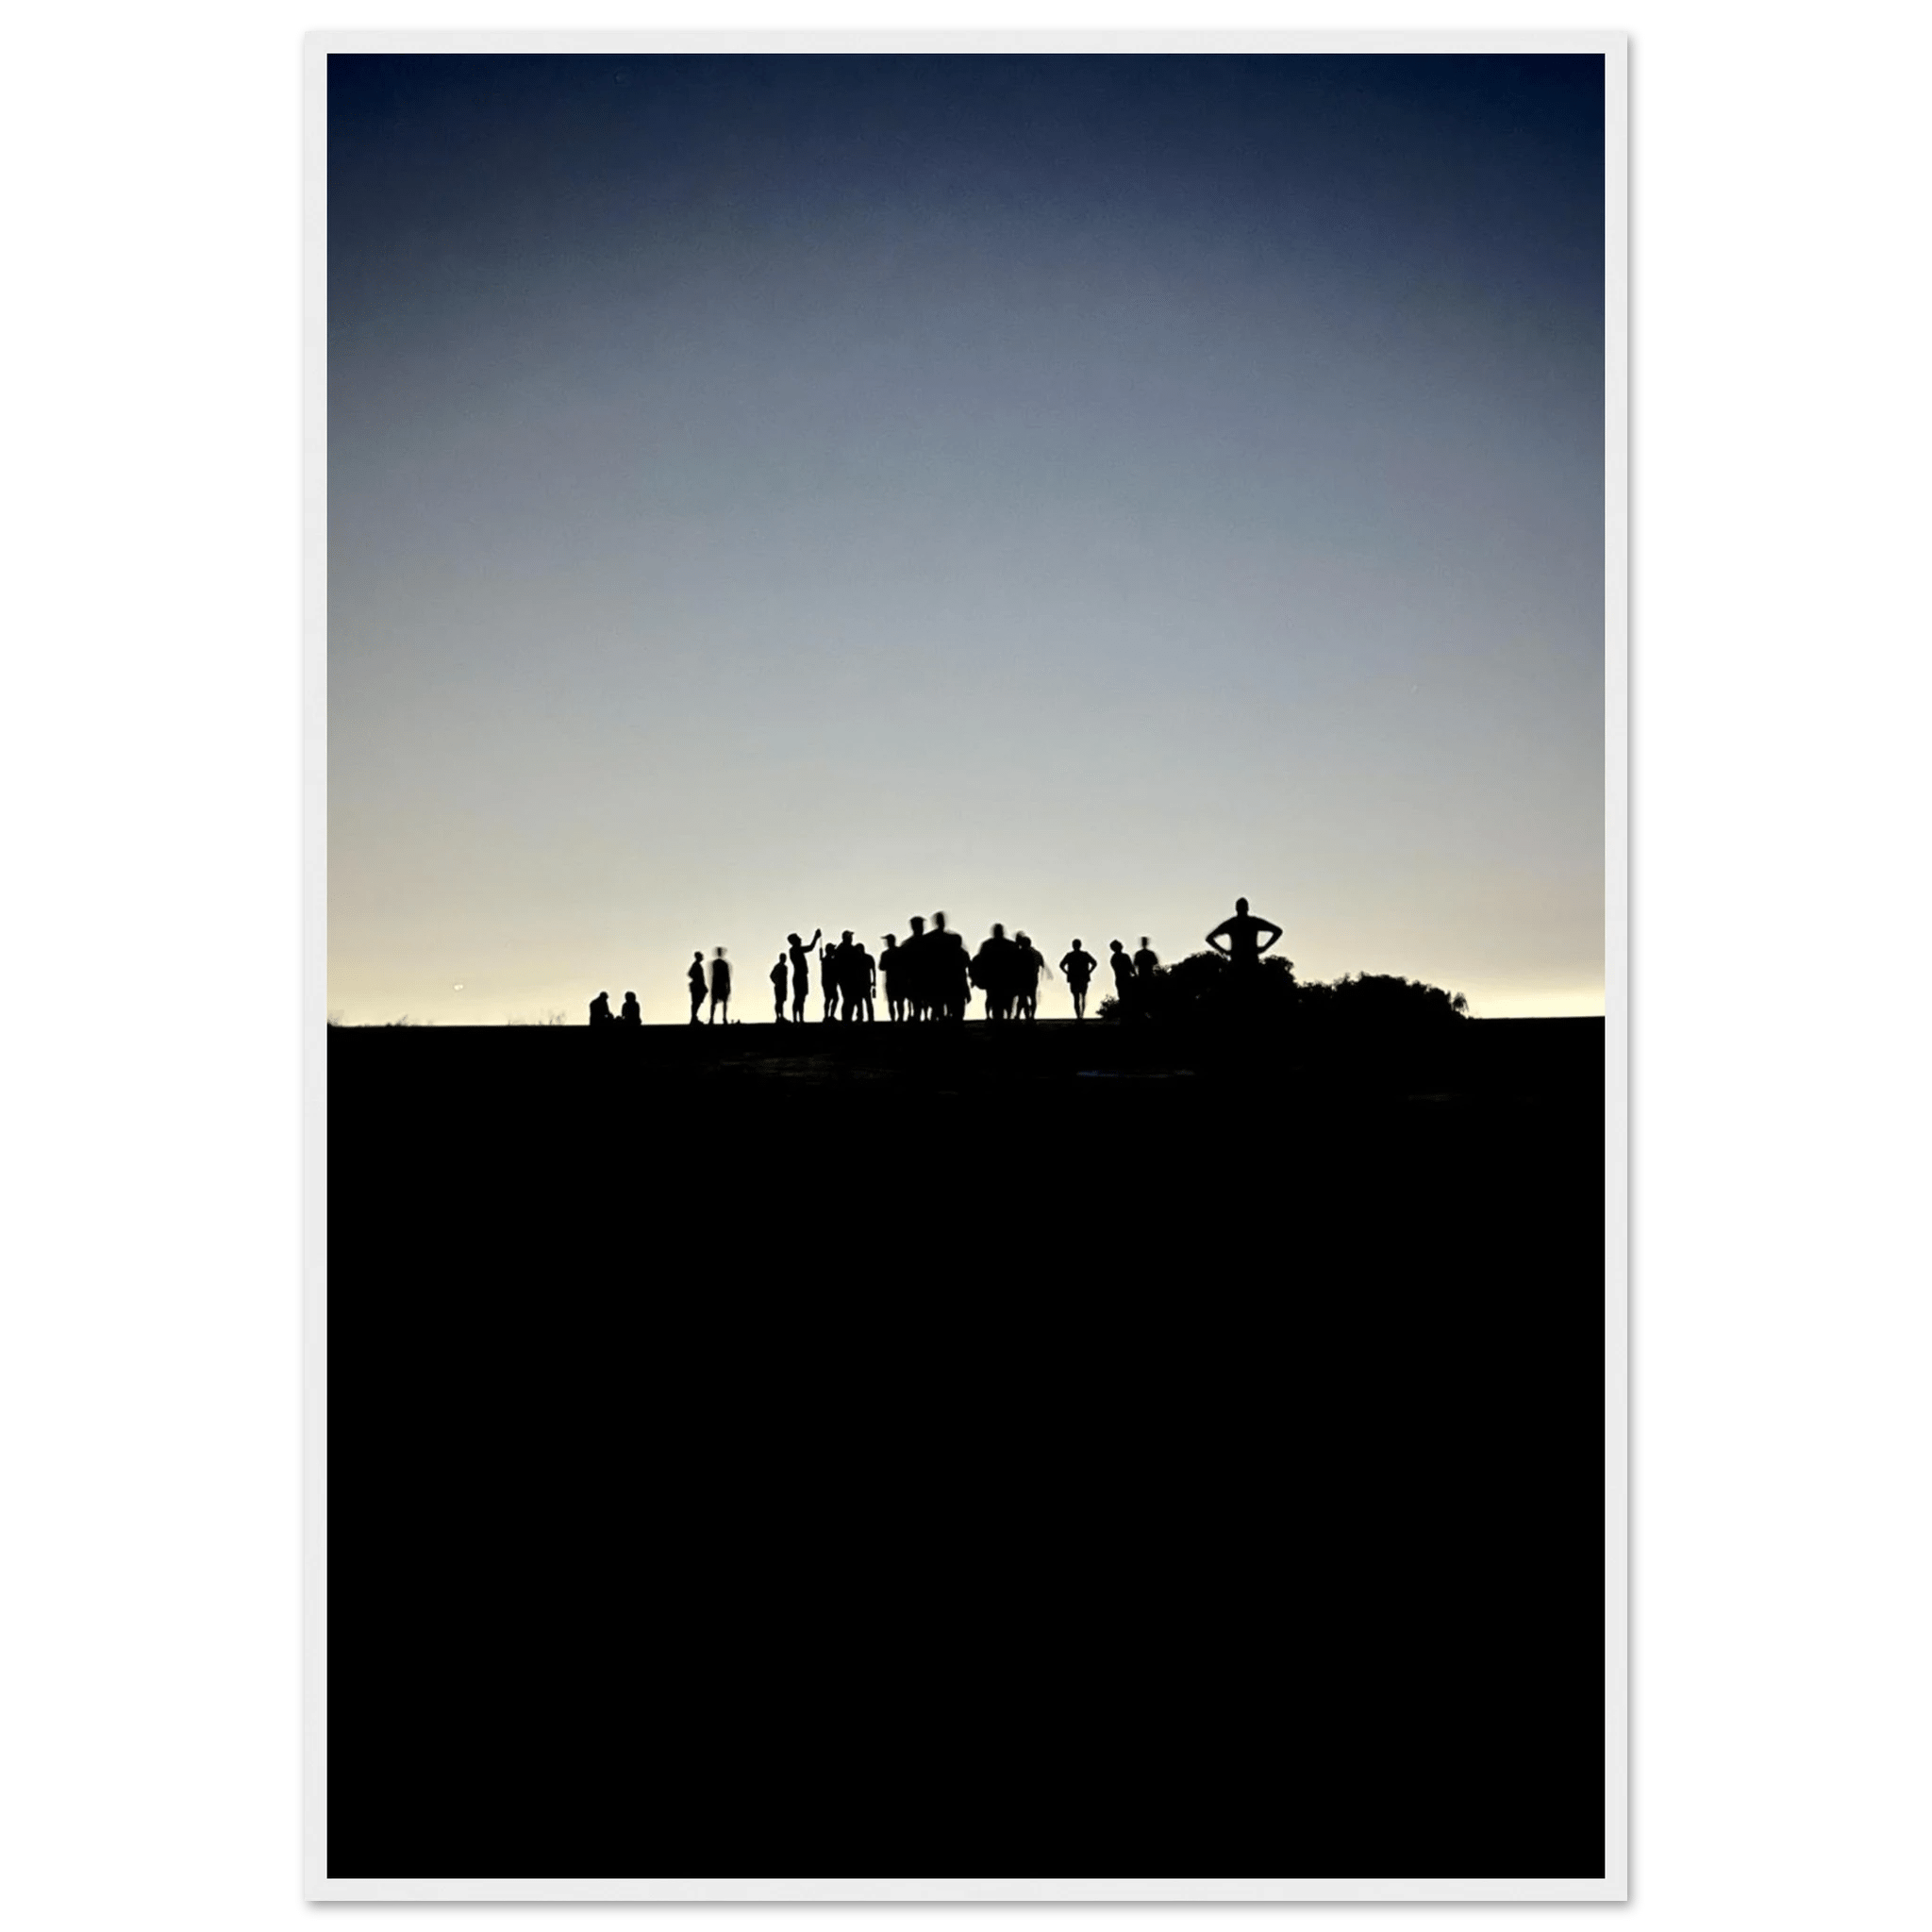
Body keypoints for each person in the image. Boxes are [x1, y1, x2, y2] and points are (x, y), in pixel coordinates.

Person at [1205, 897, 1284, 968]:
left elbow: (1209, 938)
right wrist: (1265, 947)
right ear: (1247, 908)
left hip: (1242, 963)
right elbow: (1278, 931)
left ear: (1236, 908)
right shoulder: (1252, 922)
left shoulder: (1232, 923)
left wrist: (1225, 951)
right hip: (1245, 963)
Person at [972, 924, 1020, 1023]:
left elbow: (979, 961)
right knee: (1007, 1000)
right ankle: (1007, 1018)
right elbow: (1018, 963)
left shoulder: (987, 945)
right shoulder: (1011, 945)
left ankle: (992, 1018)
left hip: (992, 979)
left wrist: (976, 978)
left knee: (993, 1000)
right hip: (1007, 979)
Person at [930, 912, 970, 1022]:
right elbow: (963, 967)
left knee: (940, 1011)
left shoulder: (930, 939)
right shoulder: (953, 940)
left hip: (940, 982)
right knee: (954, 1013)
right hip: (951, 982)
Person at [786, 929, 821, 1025]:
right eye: (798, 938)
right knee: (799, 997)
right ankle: (796, 1019)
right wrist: (816, 937)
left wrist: (816, 937)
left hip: (801, 976)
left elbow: (810, 948)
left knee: (801, 998)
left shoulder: (795, 950)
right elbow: (810, 947)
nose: (800, 939)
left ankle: (799, 1018)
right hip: (799, 976)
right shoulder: (795, 950)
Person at [1013, 932, 1049, 1023]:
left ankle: (1018, 1015)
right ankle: (1032, 1016)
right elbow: (1042, 964)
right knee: (1032, 997)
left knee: (1022, 997)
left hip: (1022, 979)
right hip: (1033, 978)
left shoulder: (1020, 952)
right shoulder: (1036, 953)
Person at [1059, 941, 1097, 1020]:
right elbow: (1094, 963)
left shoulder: (1070, 955)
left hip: (1074, 978)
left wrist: (1067, 973)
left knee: (1076, 998)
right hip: (1083, 978)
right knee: (1083, 996)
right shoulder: (1085, 954)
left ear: (1073, 946)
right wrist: (1089, 972)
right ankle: (1081, 1015)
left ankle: (1078, 1016)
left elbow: (1061, 965)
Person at [879, 935, 905, 1023]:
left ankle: (893, 1019)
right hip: (900, 980)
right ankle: (900, 1018)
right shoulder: (900, 951)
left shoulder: (885, 954)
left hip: (891, 981)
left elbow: (881, 967)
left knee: (891, 1002)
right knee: (900, 1001)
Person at [1108, 940, 1136, 1014]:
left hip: (1120, 979)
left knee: (1123, 998)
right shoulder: (1124, 956)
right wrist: (1135, 975)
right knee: (1129, 997)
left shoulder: (1113, 958)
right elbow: (1131, 968)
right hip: (1126, 979)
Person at [708, 948, 732, 1025]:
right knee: (720, 1002)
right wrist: (729, 986)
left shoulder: (716, 963)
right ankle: (720, 1018)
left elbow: (726, 976)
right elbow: (727, 976)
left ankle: (714, 1018)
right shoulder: (723, 964)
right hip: (720, 985)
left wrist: (728, 986)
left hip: (717, 985)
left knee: (716, 1003)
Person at [687, 952, 707, 1025]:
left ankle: (694, 1018)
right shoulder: (696, 965)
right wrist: (696, 979)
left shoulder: (697, 965)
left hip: (698, 986)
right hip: (697, 986)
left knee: (697, 1002)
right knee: (696, 1002)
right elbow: (690, 974)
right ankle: (693, 1018)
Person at [769, 954, 789, 1022]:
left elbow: (771, 975)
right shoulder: (780, 967)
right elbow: (771, 975)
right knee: (779, 1002)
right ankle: (779, 1017)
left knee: (780, 1002)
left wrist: (776, 982)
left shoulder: (781, 967)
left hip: (781, 986)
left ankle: (780, 1016)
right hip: (780, 986)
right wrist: (776, 982)